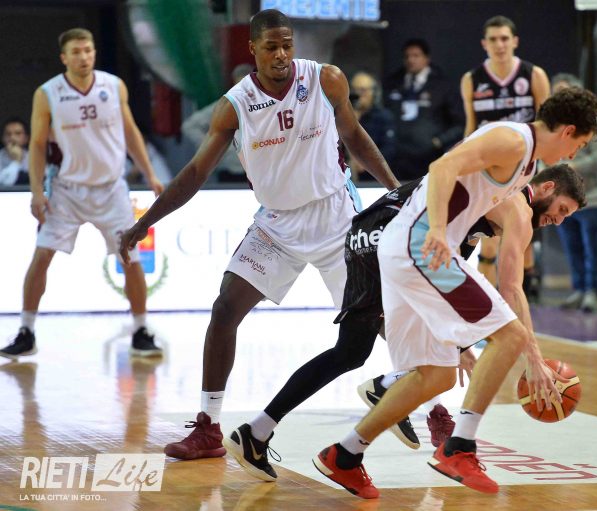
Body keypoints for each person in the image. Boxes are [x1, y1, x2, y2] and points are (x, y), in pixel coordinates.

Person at [118, 9, 399, 462]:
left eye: (287, 45)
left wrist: (395, 191)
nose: (282, 54)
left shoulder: (325, 80)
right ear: (253, 49)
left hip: (335, 217)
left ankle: (431, 405)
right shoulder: (235, 105)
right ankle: (208, 428)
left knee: (380, 318)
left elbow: (356, 136)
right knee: (225, 309)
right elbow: (195, 172)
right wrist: (145, 221)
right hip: (277, 223)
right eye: (271, 47)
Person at [313, 88, 597, 499]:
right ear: (569, 131)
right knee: (511, 336)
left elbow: (509, 277)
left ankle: (344, 454)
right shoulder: (514, 140)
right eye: (581, 144)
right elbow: (443, 165)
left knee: (437, 375)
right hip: (421, 246)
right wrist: (436, 229)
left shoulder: (526, 166)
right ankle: (459, 447)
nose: (575, 153)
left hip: (403, 250)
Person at [224, 179, 483, 481]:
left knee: (350, 352)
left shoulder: (476, 201)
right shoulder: (490, 201)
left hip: (364, 234)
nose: (552, 221)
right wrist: (461, 345)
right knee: (439, 353)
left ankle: (255, 432)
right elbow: (444, 277)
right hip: (388, 238)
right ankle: (386, 387)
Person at [0, 28, 165, 361]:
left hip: (111, 188)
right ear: (64, 58)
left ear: (94, 53)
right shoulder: (48, 93)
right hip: (67, 190)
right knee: (41, 256)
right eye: (76, 52)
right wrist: (36, 192)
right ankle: (26, 331)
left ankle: (141, 330)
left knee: (131, 258)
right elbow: (37, 144)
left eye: (88, 50)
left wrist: (150, 174)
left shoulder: (113, 85)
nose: (84, 57)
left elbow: (130, 131)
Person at [460, 15, 551, 293]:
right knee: (489, 242)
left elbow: (547, 126)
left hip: (525, 169)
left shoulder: (533, 75)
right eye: (493, 39)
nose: (499, 44)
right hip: (488, 172)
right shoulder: (472, 79)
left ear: (515, 41)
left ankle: (526, 291)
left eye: (504, 38)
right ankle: (489, 305)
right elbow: (470, 128)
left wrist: (549, 167)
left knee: (522, 235)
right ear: (484, 44)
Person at [550, 73, 597, 312]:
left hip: (590, 196)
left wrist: (573, 167)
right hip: (561, 197)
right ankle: (578, 288)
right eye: (557, 93)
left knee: (591, 245)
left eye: (566, 92)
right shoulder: (550, 124)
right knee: (571, 245)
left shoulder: (596, 122)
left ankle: (592, 290)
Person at [383, 38, 463, 181]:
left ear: (427, 58)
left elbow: (459, 123)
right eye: (407, 56)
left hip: (429, 157)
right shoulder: (393, 83)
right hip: (397, 158)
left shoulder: (442, 86)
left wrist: (438, 141)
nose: (410, 60)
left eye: (416, 55)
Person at [181, 63, 252, 183]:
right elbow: (190, 126)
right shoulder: (225, 106)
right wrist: (213, 147)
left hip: (258, 169)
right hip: (231, 170)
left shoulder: (267, 106)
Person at [348, 71, 396, 181]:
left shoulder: (383, 117)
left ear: (373, 93)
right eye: (354, 90)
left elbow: (389, 149)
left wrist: (366, 163)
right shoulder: (339, 117)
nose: (358, 95)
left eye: (363, 90)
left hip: (373, 177)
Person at [0, 117, 30, 186]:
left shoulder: (35, 158)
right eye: (8, 134)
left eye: (18, 133)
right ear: (2, 138)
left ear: (26, 138)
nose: (12, 138)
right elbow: (5, 184)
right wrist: (16, 161)